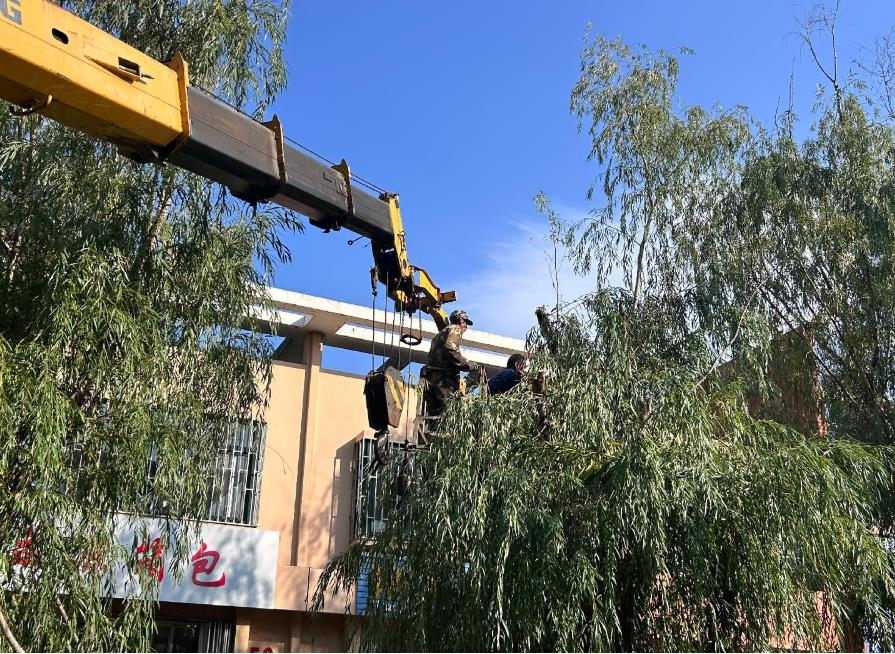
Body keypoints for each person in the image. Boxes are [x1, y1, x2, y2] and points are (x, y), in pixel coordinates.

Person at [422, 309, 479, 416]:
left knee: (434, 414)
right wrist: (465, 362)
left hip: (431, 378)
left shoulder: (439, 335)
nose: (466, 327)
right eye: (466, 323)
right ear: (461, 320)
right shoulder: (455, 329)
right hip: (444, 380)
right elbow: (450, 346)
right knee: (449, 413)